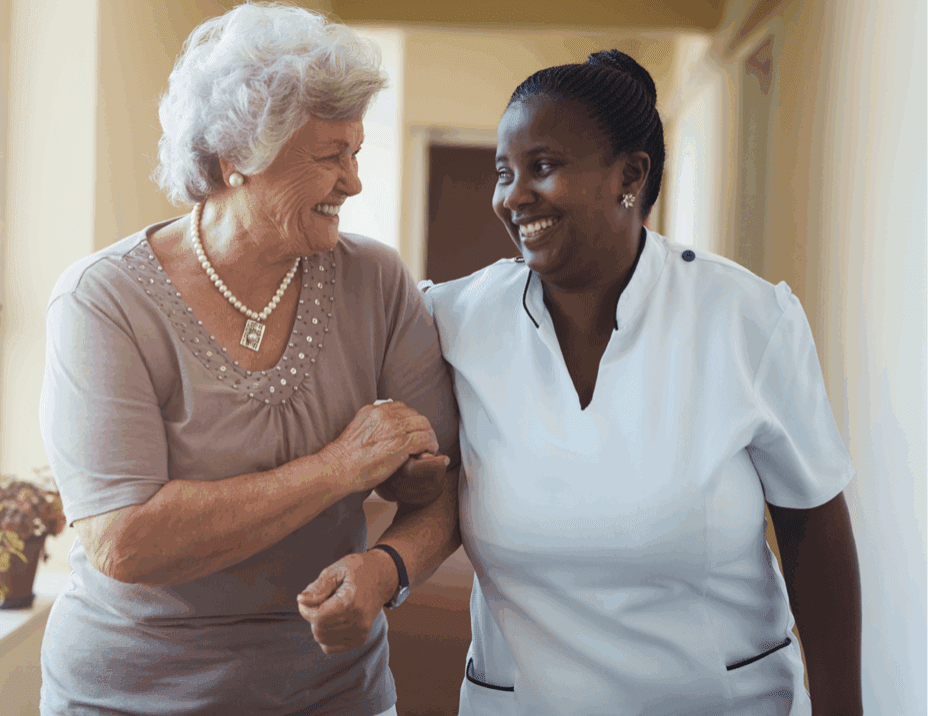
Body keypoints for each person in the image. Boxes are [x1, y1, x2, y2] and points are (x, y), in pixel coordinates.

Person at [311, 50, 862, 714]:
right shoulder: (452, 320)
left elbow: (813, 528)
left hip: (721, 700)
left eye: (542, 167)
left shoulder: (747, 319)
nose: (512, 196)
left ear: (631, 175)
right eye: (503, 172)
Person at [37, 4, 461, 715]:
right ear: (237, 155)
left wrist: (386, 569)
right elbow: (125, 541)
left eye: (356, 152)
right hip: (132, 696)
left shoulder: (376, 282)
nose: (353, 181)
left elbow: (446, 490)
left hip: (334, 692)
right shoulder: (102, 301)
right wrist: (340, 468)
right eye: (330, 156)